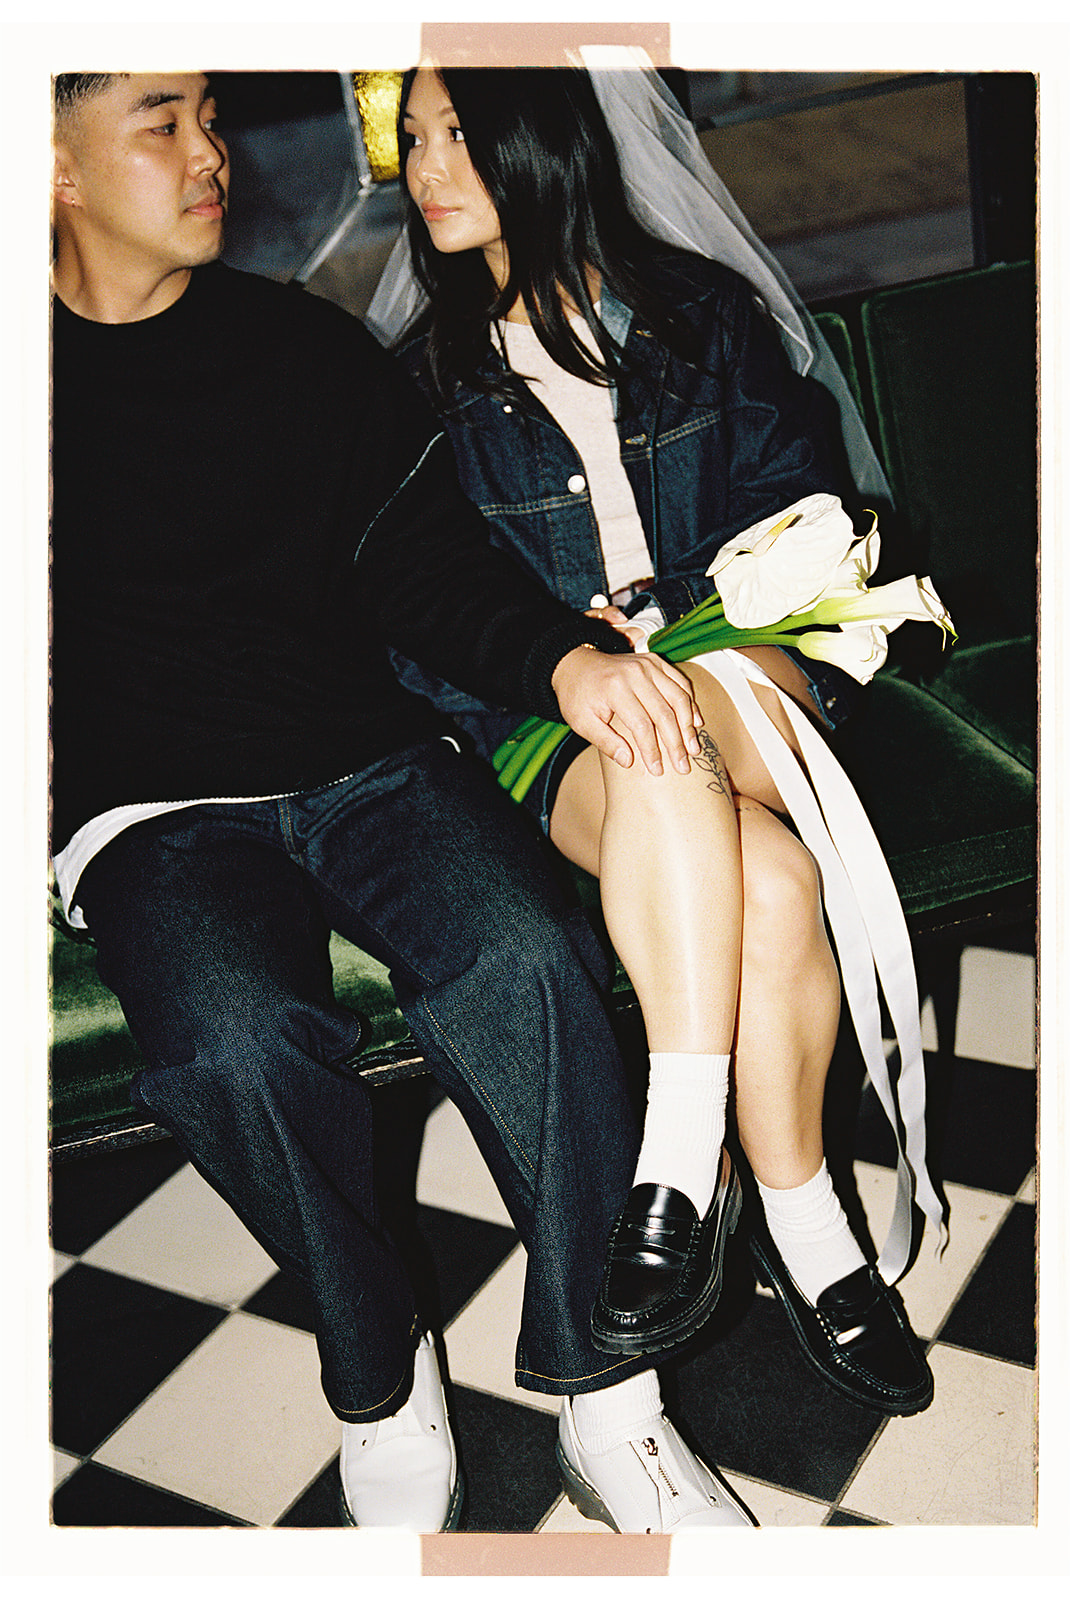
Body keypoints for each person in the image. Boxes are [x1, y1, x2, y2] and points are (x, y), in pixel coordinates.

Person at [50, 70, 758, 1534]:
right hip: (150, 811)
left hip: (368, 760)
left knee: (532, 961)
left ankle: (606, 1391)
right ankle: (380, 1379)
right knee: (233, 1047)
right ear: (48, 166)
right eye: (162, 123)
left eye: (209, 116)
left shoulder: (300, 352)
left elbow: (421, 566)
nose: (212, 154)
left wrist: (563, 661)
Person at [369, 59, 939, 1416]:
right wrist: (554, 648)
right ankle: (800, 1226)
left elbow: (801, 509)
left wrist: (672, 618)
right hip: (553, 732)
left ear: (542, 142)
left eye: (460, 135)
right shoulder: (413, 383)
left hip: (742, 673)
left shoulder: (698, 318)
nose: (427, 169)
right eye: (414, 138)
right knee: (770, 875)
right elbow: (403, 616)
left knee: (666, 719)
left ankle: (673, 1164)